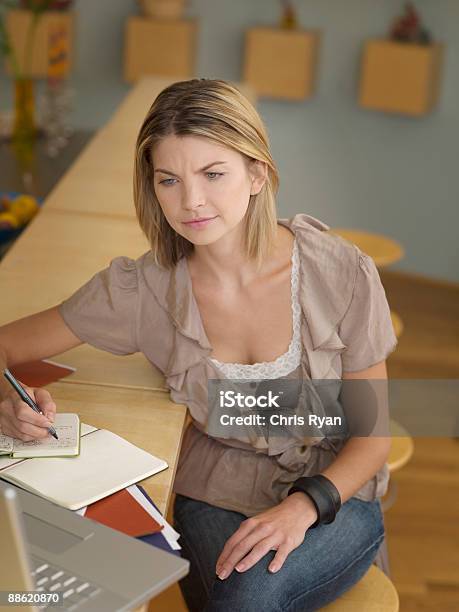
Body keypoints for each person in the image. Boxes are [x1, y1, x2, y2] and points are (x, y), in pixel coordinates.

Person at [0, 79, 398, 611]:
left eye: (214, 174)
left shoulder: (341, 273)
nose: (191, 202)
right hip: (214, 486)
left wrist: (303, 506)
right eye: (169, 180)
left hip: (334, 491)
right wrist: (8, 402)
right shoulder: (142, 290)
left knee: (247, 595)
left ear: (257, 173)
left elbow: (371, 438)